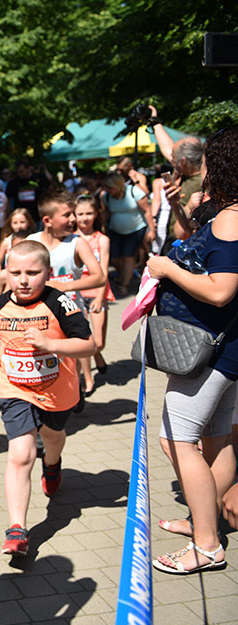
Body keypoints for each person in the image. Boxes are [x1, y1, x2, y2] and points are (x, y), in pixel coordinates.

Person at [146, 125, 238, 574]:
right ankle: (208, 521)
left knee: (177, 440)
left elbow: (221, 291)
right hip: (225, 350)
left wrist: (166, 268)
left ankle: (206, 545)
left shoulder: (232, 218)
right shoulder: (224, 214)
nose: (199, 168)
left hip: (210, 352)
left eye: (205, 161)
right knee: (216, 443)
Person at [0, 241, 95, 556]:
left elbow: (88, 345)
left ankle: (52, 465)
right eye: (16, 273)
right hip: (15, 390)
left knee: (52, 438)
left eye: (32, 272)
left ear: (48, 273)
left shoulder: (60, 303)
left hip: (57, 393)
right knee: (21, 454)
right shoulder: (1, 303)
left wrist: (51, 344)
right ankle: (17, 529)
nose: (23, 280)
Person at [75, 195, 113, 394]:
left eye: (89, 213)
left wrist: (100, 296)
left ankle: (97, 355)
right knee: (82, 341)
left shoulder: (102, 239)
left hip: (98, 292)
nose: (84, 218)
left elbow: (104, 271)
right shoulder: (71, 239)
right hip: (77, 295)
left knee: (98, 342)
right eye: (80, 214)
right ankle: (87, 380)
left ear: (96, 214)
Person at [102, 171, 154, 292]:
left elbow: (147, 211)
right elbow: (106, 213)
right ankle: (124, 274)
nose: (108, 190)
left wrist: (151, 229)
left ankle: (124, 284)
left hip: (136, 229)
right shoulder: (107, 197)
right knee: (114, 258)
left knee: (128, 256)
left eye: (110, 187)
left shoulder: (134, 192)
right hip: (115, 230)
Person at [0, 209, 37, 299]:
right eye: (15, 223)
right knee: (4, 296)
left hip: (27, 278)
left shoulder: (35, 239)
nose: (19, 226)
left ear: (29, 222)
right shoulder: (6, 241)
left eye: (22, 222)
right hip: (9, 274)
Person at [5, 159, 50, 224]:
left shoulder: (39, 178)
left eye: (22, 171)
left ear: (28, 168)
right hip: (21, 217)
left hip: (37, 215)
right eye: (18, 172)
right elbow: (8, 200)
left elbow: (48, 192)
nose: (20, 174)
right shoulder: (13, 183)